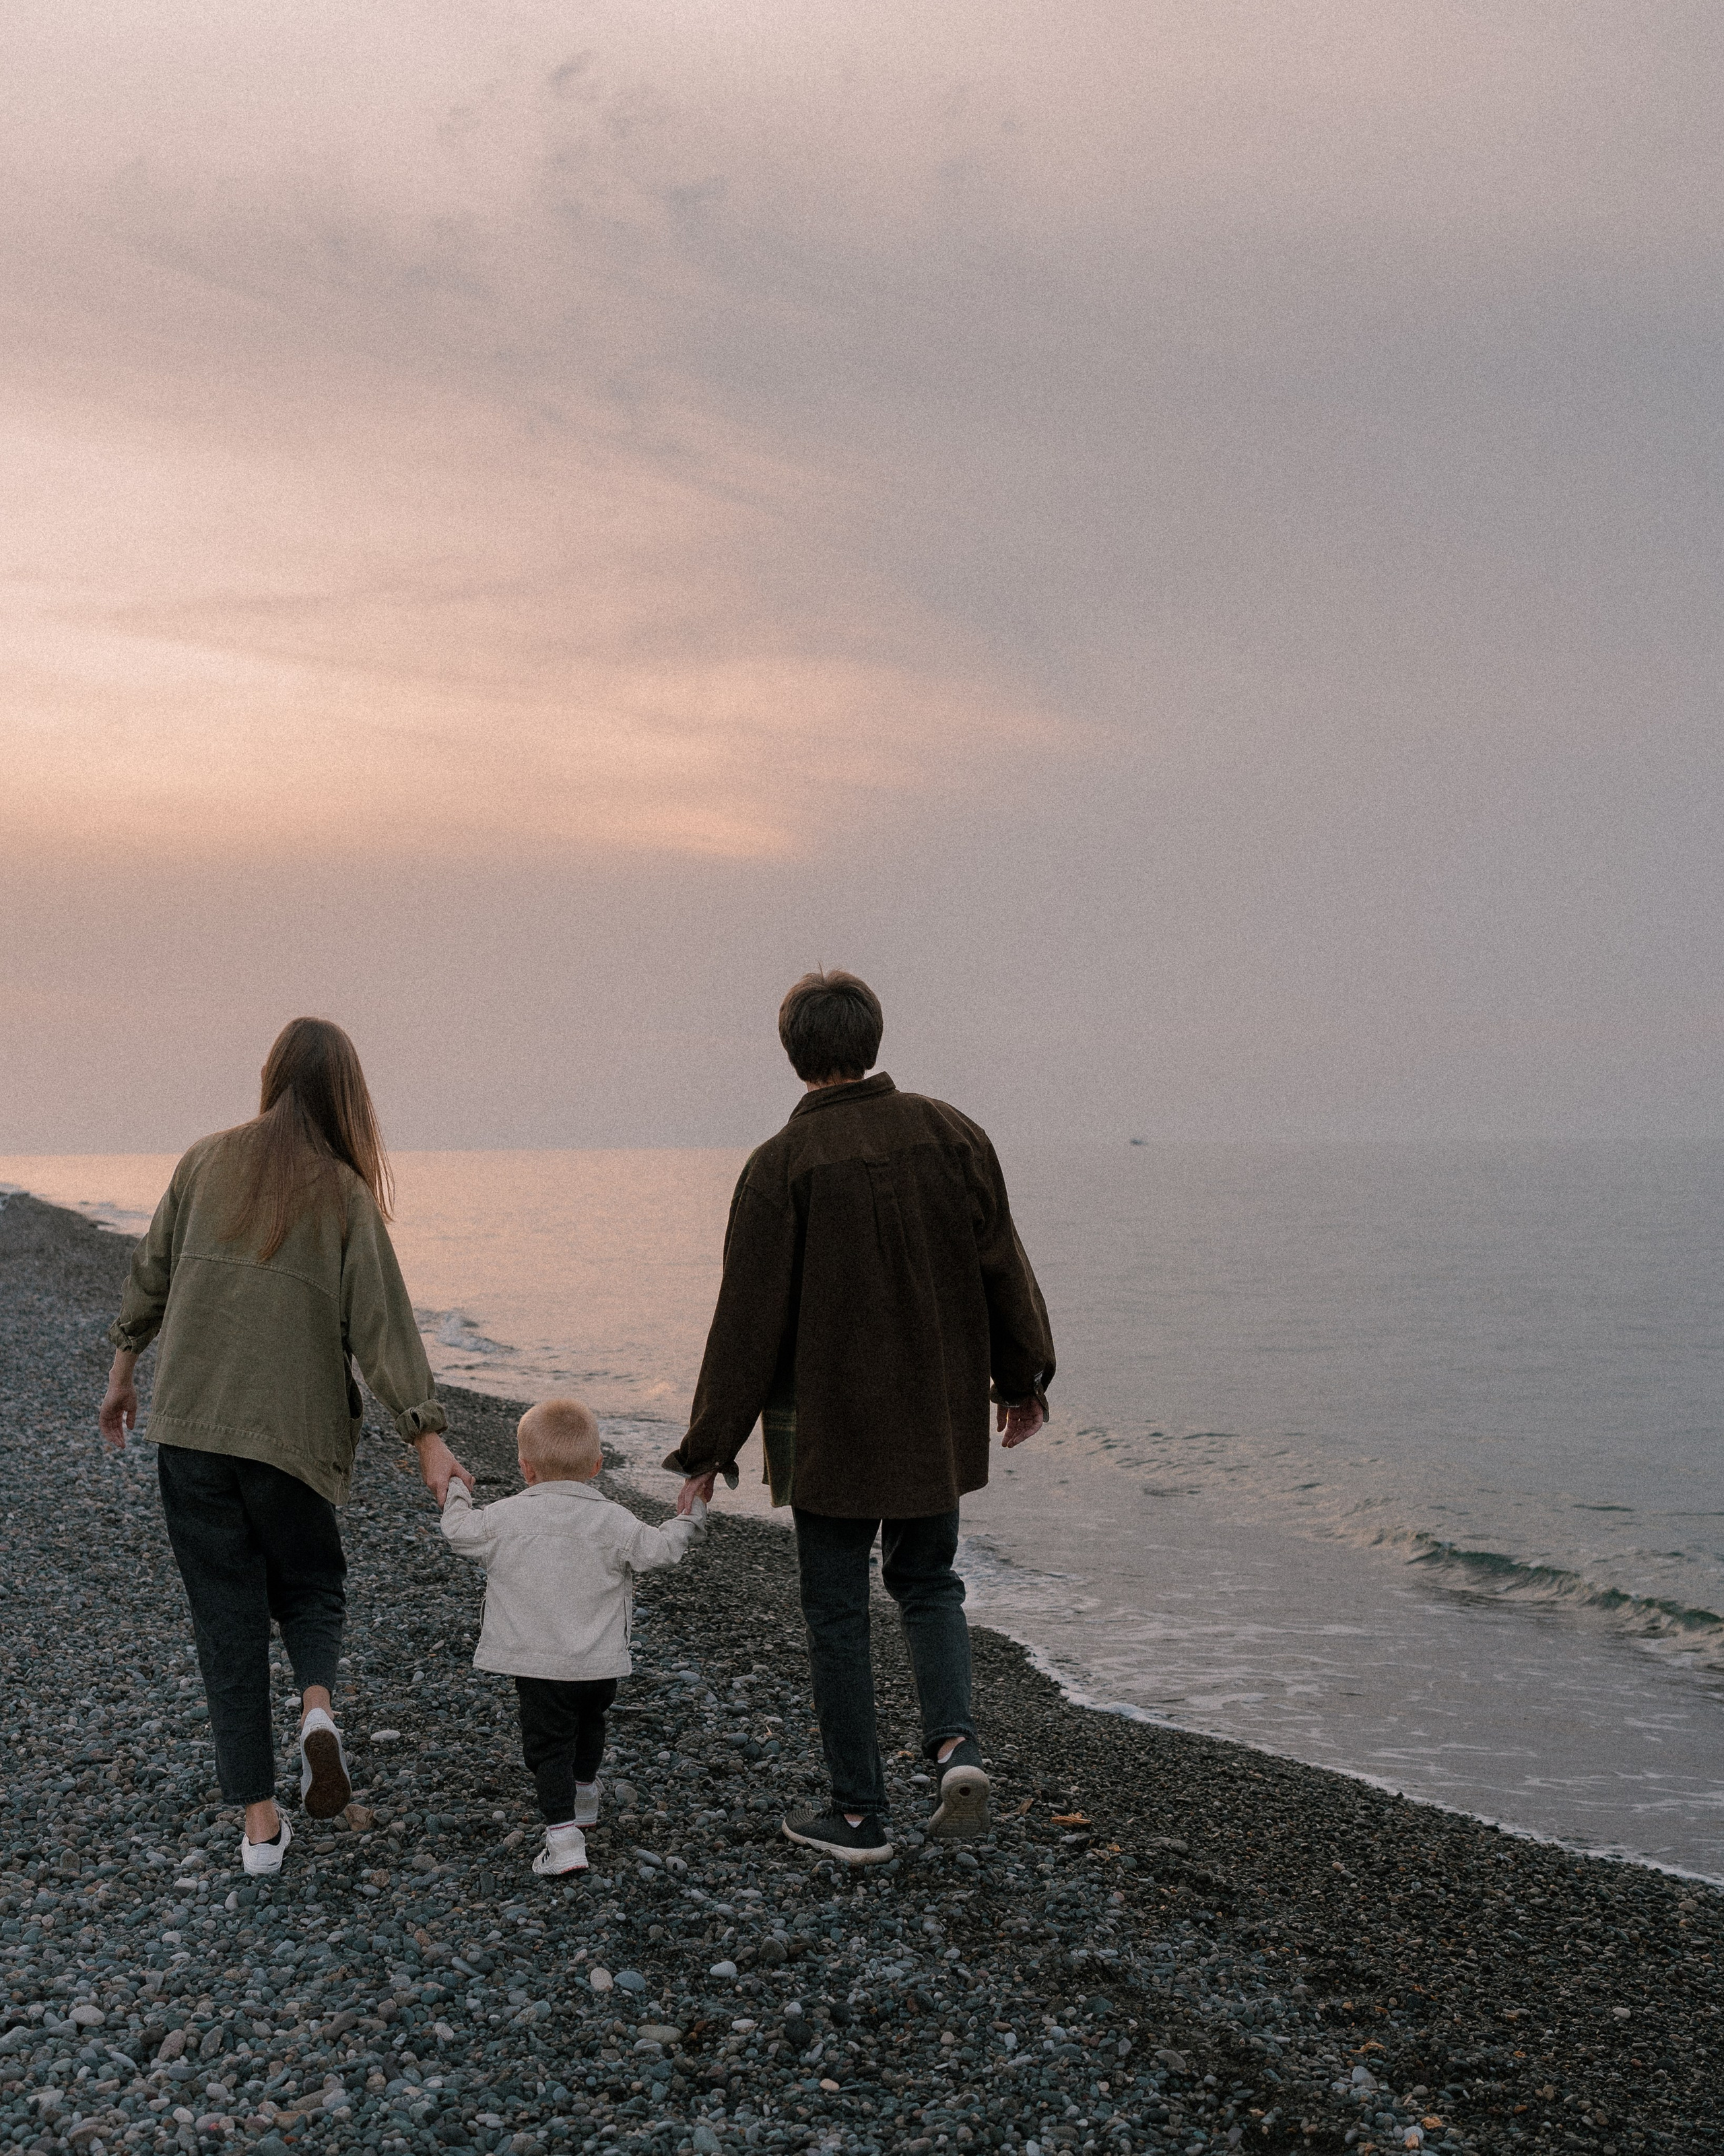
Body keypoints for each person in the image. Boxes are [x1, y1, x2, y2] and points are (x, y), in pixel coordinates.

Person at [663, 969, 1055, 1865]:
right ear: (873, 1039)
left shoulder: (780, 1166)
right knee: (929, 1583)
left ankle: (857, 1814)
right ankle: (957, 1746)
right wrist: (1023, 1376)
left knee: (837, 1609)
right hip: (931, 1418)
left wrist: (708, 1447)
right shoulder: (954, 1135)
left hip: (828, 1431)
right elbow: (1003, 1265)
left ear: (795, 1054)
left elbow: (747, 1322)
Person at [98, 1017, 470, 1878]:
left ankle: (260, 1830)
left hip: (190, 1426)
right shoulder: (342, 1192)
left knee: (225, 1619)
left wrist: (123, 1371)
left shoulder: (203, 1160)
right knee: (311, 1584)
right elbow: (383, 1323)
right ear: (347, 1095)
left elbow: (149, 1270)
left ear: (271, 1077)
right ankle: (315, 1709)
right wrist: (428, 1439)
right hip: (291, 1440)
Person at [440, 1396, 706, 1876]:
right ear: (598, 1466)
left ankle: (563, 1841)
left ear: (525, 1468)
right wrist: (691, 1512)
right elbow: (662, 1549)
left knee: (547, 1748)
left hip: (539, 1664)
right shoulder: (613, 1519)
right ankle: (583, 1792)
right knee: (589, 1724)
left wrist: (458, 1487)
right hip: (600, 1662)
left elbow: (459, 1530)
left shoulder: (505, 1517)